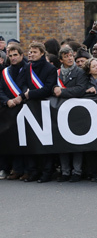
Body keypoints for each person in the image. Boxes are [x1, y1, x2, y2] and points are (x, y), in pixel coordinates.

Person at [52, 46, 89, 182]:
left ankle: (77, 171)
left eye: (71, 56)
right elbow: (51, 87)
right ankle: (65, 171)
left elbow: (80, 89)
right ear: (61, 59)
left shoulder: (79, 72)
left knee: (76, 142)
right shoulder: (57, 73)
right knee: (62, 142)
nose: (69, 58)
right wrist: (54, 89)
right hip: (60, 111)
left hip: (75, 111)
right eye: (66, 56)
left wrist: (63, 92)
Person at [22, 42, 58, 183]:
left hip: (44, 106)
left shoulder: (50, 69)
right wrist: (26, 93)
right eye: (30, 51)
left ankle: (47, 172)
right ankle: (33, 171)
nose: (31, 54)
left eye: (34, 52)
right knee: (31, 141)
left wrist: (30, 94)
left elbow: (48, 88)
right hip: (30, 106)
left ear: (42, 53)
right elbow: (23, 83)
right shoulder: (27, 67)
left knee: (45, 142)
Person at [0, 44, 28, 181]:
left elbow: (29, 86)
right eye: (10, 56)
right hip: (10, 108)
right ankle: (17, 169)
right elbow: (0, 89)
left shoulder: (28, 68)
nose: (13, 58)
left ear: (21, 55)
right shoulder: (6, 71)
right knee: (14, 140)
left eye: (15, 55)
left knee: (27, 141)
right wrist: (7, 101)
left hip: (26, 107)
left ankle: (28, 170)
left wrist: (19, 98)